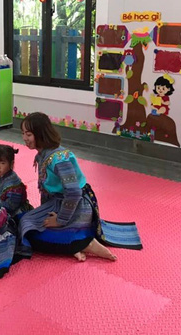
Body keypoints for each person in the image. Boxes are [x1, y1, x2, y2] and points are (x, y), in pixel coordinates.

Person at [18, 112, 117, 262]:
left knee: (28, 232)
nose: (24, 138)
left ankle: (82, 244)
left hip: (76, 206)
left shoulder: (58, 159)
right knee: (25, 222)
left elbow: (74, 191)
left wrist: (60, 221)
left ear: (40, 134)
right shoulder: (44, 154)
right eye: (23, 133)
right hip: (60, 203)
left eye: (29, 134)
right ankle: (73, 244)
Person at [0, 144, 33, 222]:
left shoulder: (12, 185)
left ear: (11, 164)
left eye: (2, 163)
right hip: (3, 208)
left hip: (17, 215)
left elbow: (11, 207)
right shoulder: (3, 175)